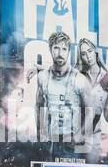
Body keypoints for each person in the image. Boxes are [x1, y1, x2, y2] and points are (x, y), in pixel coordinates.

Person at [35, 29, 90, 160]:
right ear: (50, 49)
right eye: (56, 48)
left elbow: (90, 110)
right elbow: (38, 105)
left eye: (64, 49)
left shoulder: (79, 79)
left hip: (70, 144)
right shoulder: (43, 77)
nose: (60, 53)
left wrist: (80, 134)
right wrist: (40, 132)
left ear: (69, 51)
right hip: (48, 143)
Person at [77, 37, 108, 161]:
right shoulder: (78, 75)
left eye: (90, 51)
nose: (88, 56)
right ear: (81, 57)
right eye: (83, 53)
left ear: (96, 52)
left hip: (93, 136)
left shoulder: (107, 78)